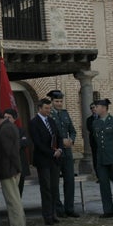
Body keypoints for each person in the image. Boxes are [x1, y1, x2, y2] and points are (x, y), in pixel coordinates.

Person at [0, 109, 26, 226]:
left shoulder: (5, 129)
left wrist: (16, 168)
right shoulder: (8, 127)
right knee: (14, 201)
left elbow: (10, 151)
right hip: (11, 169)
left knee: (13, 201)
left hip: (9, 170)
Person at [29, 98, 63, 226]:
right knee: (46, 188)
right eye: (46, 108)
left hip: (55, 160)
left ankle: (54, 213)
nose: (48, 110)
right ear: (40, 108)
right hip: (43, 160)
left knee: (54, 188)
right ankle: (47, 215)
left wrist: (59, 149)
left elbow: (58, 136)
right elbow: (37, 143)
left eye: (49, 108)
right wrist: (51, 152)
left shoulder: (51, 121)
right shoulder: (34, 122)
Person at [47, 90, 79, 218]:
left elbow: (72, 130)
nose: (59, 104)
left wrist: (71, 139)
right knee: (55, 182)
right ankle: (58, 209)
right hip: (56, 152)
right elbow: (49, 134)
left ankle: (69, 208)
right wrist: (61, 141)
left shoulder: (65, 114)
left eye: (61, 101)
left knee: (70, 180)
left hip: (68, 152)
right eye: (57, 101)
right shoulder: (49, 115)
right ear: (52, 101)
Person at [3, 108, 30, 196]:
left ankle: (18, 208)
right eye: (5, 117)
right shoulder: (1, 131)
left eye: (9, 117)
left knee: (19, 191)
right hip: (7, 165)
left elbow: (26, 142)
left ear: (14, 119)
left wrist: (12, 143)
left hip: (20, 164)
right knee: (10, 193)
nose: (6, 120)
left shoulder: (21, 130)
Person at [86, 103, 99, 177]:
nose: (93, 109)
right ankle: (98, 176)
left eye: (94, 107)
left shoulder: (102, 117)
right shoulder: (89, 119)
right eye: (91, 108)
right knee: (96, 159)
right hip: (94, 141)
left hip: (103, 142)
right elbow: (90, 128)